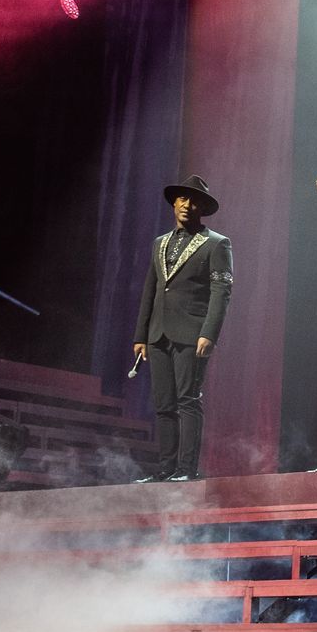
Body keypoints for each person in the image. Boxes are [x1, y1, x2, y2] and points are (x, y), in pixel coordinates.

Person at [132, 174, 233, 482]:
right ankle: (165, 468)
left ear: (202, 206)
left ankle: (186, 470)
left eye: (194, 201)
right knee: (164, 403)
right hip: (158, 333)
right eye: (182, 199)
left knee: (187, 399)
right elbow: (150, 289)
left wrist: (209, 332)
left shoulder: (216, 244)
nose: (187, 205)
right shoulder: (159, 243)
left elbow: (222, 292)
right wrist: (141, 336)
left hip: (191, 333)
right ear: (174, 203)